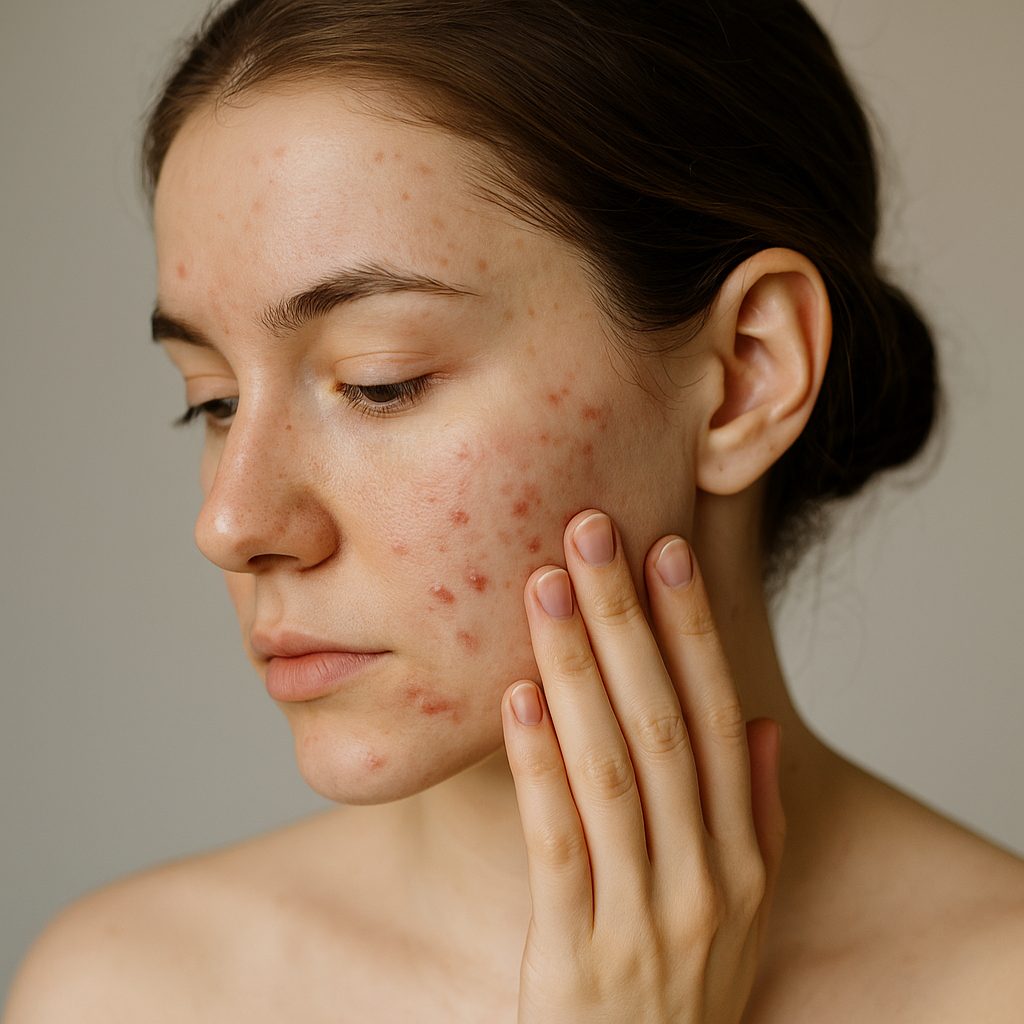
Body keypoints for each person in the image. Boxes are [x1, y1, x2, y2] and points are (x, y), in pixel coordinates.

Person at [5, 1, 1023, 1020]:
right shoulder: (122, 992)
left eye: (381, 381)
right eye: (214, 400)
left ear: (747, 375)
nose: (230, 524)